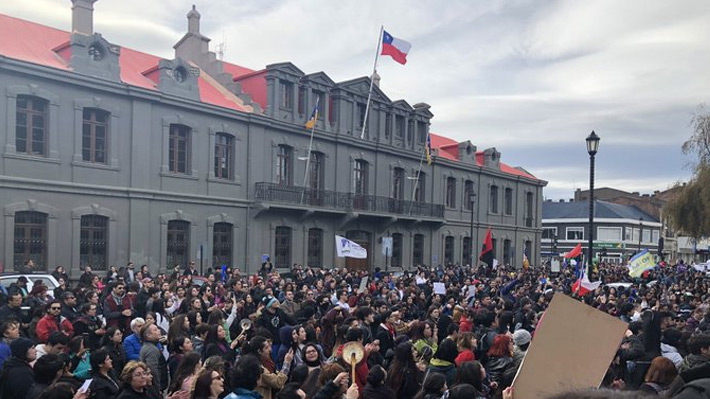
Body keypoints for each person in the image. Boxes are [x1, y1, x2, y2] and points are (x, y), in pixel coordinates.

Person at [139, 323, 168, 396]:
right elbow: (153, 370)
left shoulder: (148, 346)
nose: (159, 331)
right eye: (155, 330)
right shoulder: (151, 349)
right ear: (148, 335)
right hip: (154, 388)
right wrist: (157, 389)